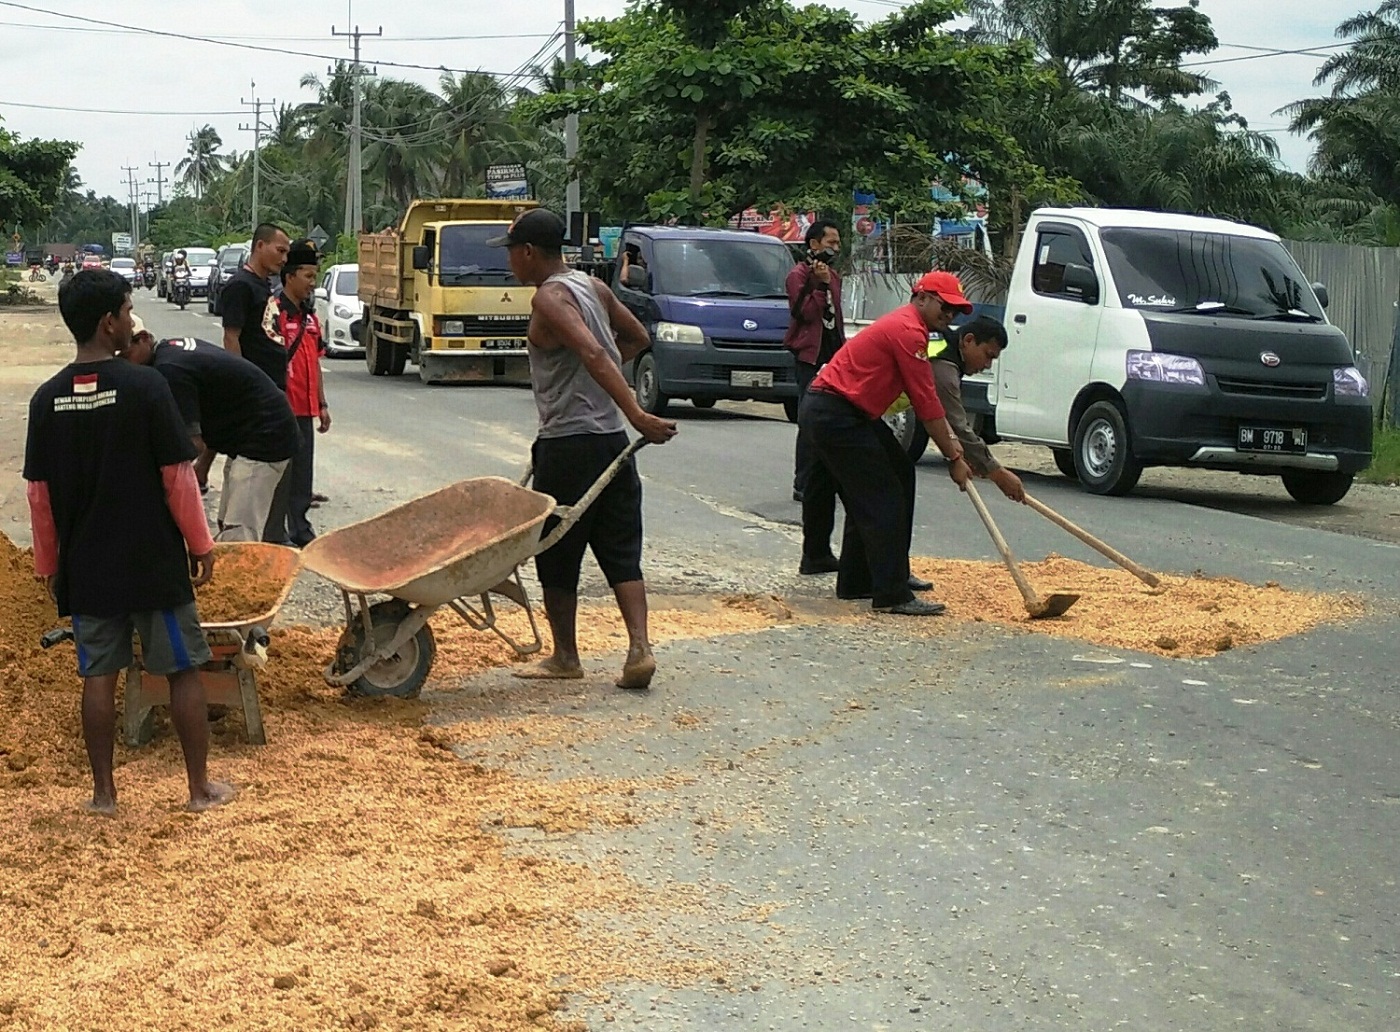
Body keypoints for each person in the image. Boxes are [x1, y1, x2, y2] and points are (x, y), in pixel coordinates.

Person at [23, 270, 234, 815]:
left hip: (87, 568)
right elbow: (177, 477)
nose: (131, 319)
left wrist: (50, 564)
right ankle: (198, 789)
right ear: (107, 322)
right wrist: (201, 544)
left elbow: (39, 497)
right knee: (182, 670)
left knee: (98, 676)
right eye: (126, 309)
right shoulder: (146, 388)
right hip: (152, 565)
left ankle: (103, 796)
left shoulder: (48, 400)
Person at [489, 209, 678, 689]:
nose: (509, 261)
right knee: (620, 548)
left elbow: (594, 352)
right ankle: (639, 648)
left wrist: (638, 413)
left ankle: (566, 656)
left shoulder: (549, 298)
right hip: (611, 442)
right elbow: (631, 339)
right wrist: (613, 390)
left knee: (555, 548)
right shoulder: (594, 288)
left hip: (568, 442)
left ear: (529, 252)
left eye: (511, 252)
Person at [800, 270, 974, 616]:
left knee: (899, 472)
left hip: (848, 413)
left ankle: (858, 579)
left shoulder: (915, 329)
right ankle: (890, 592)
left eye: (955, 311)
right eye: (946, 306)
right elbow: (926, 402)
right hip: (835, 412)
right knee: (881, 497)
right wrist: (954, 455)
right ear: (921, 297)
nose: (950, 316)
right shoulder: (907, 330)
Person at [120, 316, 299, 543]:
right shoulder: (170, 349)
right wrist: (203, 466)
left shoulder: (170, 370)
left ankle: (241, 577)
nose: (125, 366)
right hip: (247, 432)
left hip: (265, 436)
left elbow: (191, 443)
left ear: (143, 339)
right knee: (226, 521)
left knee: (240, 532)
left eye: (126, 357)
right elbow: (212, 414)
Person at [784, 220, 846, 572]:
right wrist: (818, 286)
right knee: (809, 419)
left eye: (838, 242)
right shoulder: (799, 275)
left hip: (833, 355)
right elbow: (805, 313)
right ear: (813, 243)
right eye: (830, 242)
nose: (835, 248)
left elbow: (834, 319)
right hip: (809, 355)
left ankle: (819, 475)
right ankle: (803, 480)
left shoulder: (834, 276)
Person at [271, 239, 331, 547]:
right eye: (308, 276)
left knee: (303, 474)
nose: (312, 283)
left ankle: (300, 528)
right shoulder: (274, 312)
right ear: (290, 276)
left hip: (306, 408)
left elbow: (316, 362)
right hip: (283, 406)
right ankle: (277, 530)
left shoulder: (310, 318)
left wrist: (322, 404)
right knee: (282, 474)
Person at [928, 315, 1025, 503]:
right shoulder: (944, 368)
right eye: (988, 355)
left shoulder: (944, 347)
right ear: (968, 340)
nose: (987, 365)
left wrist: (959, 456)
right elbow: (957, 425)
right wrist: (997, 472)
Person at [220, 223, 292, 388]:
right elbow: (231, 338)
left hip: (273, 385)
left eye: (286, 253)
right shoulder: (241, 286)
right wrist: (242, 384)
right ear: (260, 245)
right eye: (280, 251)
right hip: (256, 387)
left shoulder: (263, 285)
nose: (284, 260)